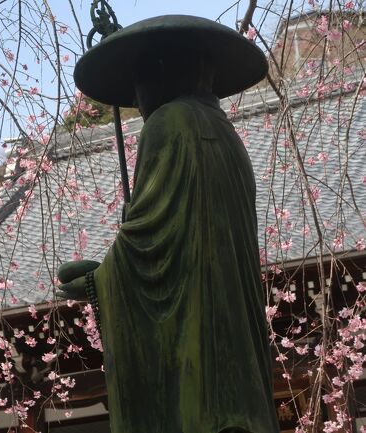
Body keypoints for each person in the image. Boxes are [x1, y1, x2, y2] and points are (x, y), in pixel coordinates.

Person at [58, 15, 279, 433]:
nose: (137, 97)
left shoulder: (168, 123)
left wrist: (101, 281)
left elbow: (151, 246)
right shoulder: (226, 134)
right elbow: (163, 230)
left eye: (139, 81)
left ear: (161, 73)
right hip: (235, 339)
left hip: (198, 339)